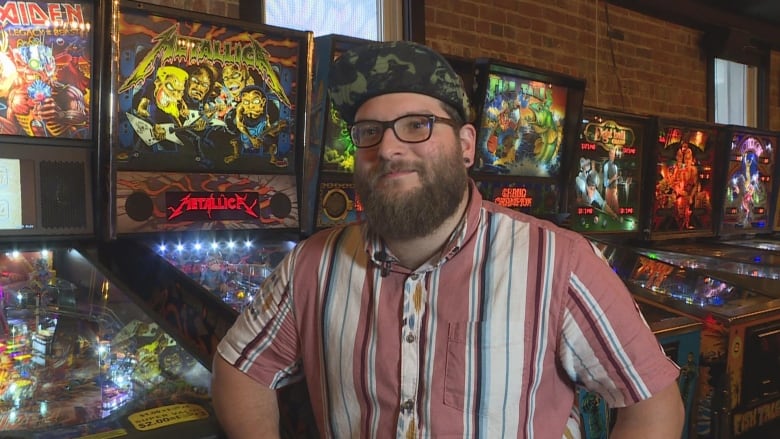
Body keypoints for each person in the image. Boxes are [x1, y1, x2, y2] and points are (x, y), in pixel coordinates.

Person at [211, 40, 684, 438]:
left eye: (417, 125)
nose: (390, 148)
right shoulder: (312, 264)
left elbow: (652, 403)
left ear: (466, 144)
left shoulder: (557, 260)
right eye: (370, 132)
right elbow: (240, 369)